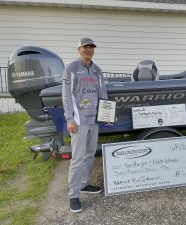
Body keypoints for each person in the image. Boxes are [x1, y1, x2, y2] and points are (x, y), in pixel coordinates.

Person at [62, 37, 108, 213]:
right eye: (85, 47)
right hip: (79, 122)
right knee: (78, 158)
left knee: (90, 154)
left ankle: (84, 184)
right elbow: (66, 95)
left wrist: (106, 115)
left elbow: (103, 93)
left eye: (91, 48)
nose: (88, 50)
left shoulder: (97, 70)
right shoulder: (72, 68)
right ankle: (73, 195)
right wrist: (69, 119)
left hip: (94, 120)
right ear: (79, 49)